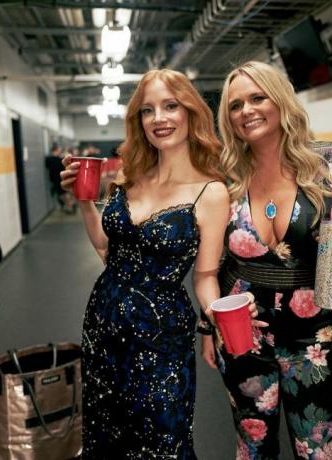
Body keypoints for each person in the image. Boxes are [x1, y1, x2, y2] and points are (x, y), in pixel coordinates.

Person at [199, 61, 332, 459]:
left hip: (316, 338)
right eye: (235, 105)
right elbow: (211, 262)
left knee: (316, 449)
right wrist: (208, 325)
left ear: (281, 101)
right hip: (243, 335)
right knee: (252, 446)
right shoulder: (224, 175)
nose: (246, 111)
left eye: (257, 98)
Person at [60, 69, 254, 459]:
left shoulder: (210, 191)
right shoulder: (129, 176)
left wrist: (216, 316)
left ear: (190, 113)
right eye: (148, 111)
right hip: (104, 321)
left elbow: (204, 275)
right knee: (105, 429)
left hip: (161, 334)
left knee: (161, 436)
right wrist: (83, 201)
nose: (159, 118)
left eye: (170, 106)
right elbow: (105, 250)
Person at [45, 144, 76, 213]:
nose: (60, 151)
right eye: (59, 150)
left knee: (64, 194)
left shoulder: (54, 159)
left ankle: (70, 206)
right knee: (63, 194)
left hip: (59, 179)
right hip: (56, 179)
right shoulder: (52, 159)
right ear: (55, 150)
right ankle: (70, 205)